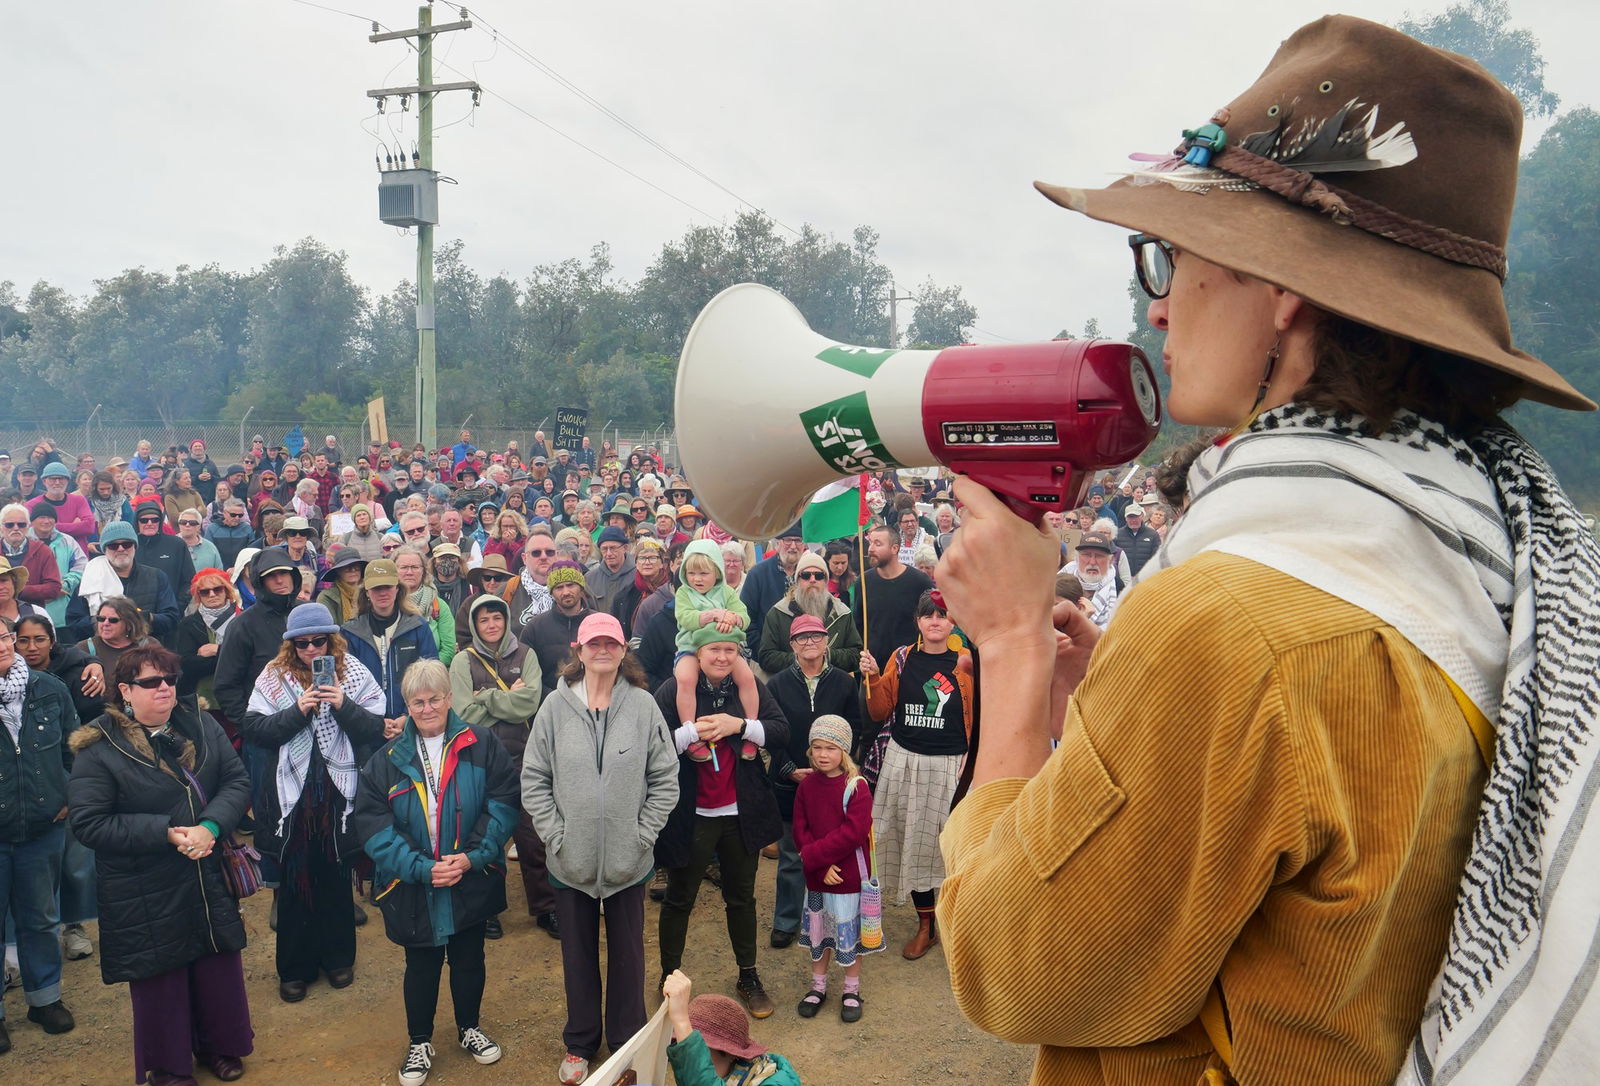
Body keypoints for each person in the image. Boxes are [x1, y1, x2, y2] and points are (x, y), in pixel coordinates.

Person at [933, 16, 1600, 1086]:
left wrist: (1010, 644)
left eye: (1173, 258)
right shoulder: (1483, 559)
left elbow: (1009, 962)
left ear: (1281, 288)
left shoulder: (1230, 629)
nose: (1158, 306)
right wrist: (1119, 710)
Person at [67, 643, 253, 1084]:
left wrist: (210, 827)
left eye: (170, 679)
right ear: (125, 691)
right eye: (151, 682)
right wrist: (165, 833)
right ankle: (169, 1066)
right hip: (143, 883)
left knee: (214, 963)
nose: (165, 688)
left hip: (205, 868)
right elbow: (89, 822)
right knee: (161, 977)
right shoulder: (98, 745)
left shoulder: (202, 723)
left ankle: (219, 1046)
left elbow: (236, 780)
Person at [522, 612, 678, 1085]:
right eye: (595, 643)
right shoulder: (554, 708)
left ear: (623, 650)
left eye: (612, 643)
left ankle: (627, 1046)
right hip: (571, 862)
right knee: (577, 957)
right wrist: (557, 835)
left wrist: (642, 834)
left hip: (628, 861)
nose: (603, 650)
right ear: (579, 649)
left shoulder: (644, 706)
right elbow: (534, 779)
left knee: (629, 957)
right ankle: (580, 1042)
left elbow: (665, 778)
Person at [357, 658, 518, 1086]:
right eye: (417, 702)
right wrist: (421, 868)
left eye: (434, 699)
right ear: (406, 706)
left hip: (469, 873)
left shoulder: (482, 744)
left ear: (449, 699)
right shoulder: (386, 759)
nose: (427, 709)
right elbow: (373, 826)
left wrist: (473, 856)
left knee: (469, 957)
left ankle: (469, 1028)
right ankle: (419, 1042)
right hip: (415, 881)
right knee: (421, 963)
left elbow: (503, 802)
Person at [242, 602, 385, 1003]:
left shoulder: (352, 671)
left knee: (335, 877)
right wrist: (298, 711)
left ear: (331, 640)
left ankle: (338, 959)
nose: (310, 650)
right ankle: (295, 968)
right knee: (294, 881)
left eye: (318, 641)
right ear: (290, 644)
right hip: (291, 798)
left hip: (338, 794)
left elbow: (375, 726)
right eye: (301, 643)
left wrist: (342, 704)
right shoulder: (274, 675)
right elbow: (255, 728)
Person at [655, 626, 789, 1019]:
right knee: (680, 898)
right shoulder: (674, 689)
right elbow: (653, 743)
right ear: (697, 653)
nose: (722, 657)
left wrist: (740, 726)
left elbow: (781, 731)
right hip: (691, 813)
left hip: (740, 813)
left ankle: (748, 975)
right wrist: (690, 733)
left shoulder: (748, 687)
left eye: (730, 650)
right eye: (714, 649)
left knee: (741, 898)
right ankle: (669, 977)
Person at [862, 590, 971, 960]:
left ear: (953, 621)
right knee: (911, 844)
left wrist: (973, 759)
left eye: (942, 614)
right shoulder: (902, 658)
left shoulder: (967, 661)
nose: (935, 621)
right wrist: (873, 679)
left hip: (951, 765)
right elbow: (879, 711)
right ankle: (927, 925)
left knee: (956, 849)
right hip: (905, 760)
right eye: (928, 615)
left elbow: (982, 714)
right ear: (918, 622)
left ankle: (962, 923)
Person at [448, 595, 557, 941]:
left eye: (497, 618)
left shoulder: (526, 655)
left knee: (532, 836)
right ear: (474, 625)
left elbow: (530, 704)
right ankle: (487, 910)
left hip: (524, 758)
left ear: (507, 619)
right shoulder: (462, 661)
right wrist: (507, 695)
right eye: (484, 620)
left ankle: (546, 907)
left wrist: (485, 695)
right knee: (485, 837)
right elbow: (464, 714)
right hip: (480, 762)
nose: (491, 625)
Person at [0, 616, 79, 1054]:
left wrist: (68, 792)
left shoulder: (49, 688)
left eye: (4, 636)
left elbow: (74, 749)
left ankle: (45, 1000)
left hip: (43, 827)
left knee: (41, 918)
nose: (2, 645)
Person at [765, 616, 865, 950]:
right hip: (790, 781)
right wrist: (788, 769)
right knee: (792, 854)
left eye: (816, 636)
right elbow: (771, 732)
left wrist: (837, 768)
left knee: (833, 849)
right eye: (802, 637)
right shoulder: (777, 685)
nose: (810, 643)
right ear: (791, 645)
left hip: (833, 784)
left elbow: (854, 728)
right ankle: (786, 920)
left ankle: (833, 919)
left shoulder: (844, 683)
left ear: (827, 641)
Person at [792, 715, 877, 1022]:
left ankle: (851, 990)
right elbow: (800, 828)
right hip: (819, 877)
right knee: (820, 935)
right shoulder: (807, 786)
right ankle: (818, 986)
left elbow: (853, 833)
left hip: (847, 877)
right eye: (817, 747)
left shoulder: (857, 787)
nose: (823, 754)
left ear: (844, 750)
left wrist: (816, 858)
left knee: (848, 937)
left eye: (831, 748)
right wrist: (819, 865)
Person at [672, 540, 758, 740]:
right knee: (685, 678)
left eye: (704, 573)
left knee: (747, 677)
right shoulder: (684, 592)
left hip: (723, 648)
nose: (697, 579)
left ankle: (751, 727)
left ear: (718, 572)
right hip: (690, 648)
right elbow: (685, 617)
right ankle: (690, 732)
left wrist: (733, 618)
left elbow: (744, 617)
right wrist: (712, 615)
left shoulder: (727, 592)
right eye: (691, 573)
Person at [342, 559, 440, 728]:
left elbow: (431, 677)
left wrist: (407, 717)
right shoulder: (350, 632)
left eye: (387, 586)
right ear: (366, 592)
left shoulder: (418, 627)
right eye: (376, 588)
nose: (383, 593)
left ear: (397, 588)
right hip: (365, 725)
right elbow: (348, 685)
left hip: (413, 722)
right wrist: (374, 722)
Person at [660, 972, 801, 1086]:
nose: (692, 1064)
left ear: (732, 1054)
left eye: (700, 1055)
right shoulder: (746, 1075)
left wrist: (681, 1020)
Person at [757, 550, 862, 676]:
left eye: (819, 575)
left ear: (825, 581)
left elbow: (857, 655)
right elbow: (766, 657)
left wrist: (827, 655)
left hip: (833, 684)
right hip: (791, 684)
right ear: (797, 580)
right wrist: (801, 659)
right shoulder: (778, 613)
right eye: (806, 575)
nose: (813, 580)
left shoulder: (841, 613)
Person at [852, 523, 933, 672]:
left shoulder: (919, 582)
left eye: (878, 544)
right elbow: (858, 626)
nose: (871, 549)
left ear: (894, 548)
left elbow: (933, 622)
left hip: (911, 668)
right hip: (873, 670)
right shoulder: (863, 582)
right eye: (870, 542)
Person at [517, 560, 594, 695]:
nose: (566, 592)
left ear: (581, 588)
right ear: (551, 592)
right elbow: (526, 674)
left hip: (594, 700)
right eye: (559, 587)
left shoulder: (599, 623)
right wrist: (553, 699)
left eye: (570, 585)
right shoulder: (535, 628)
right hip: (548, 702)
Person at [171, 568, 241, 712]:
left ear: (226, 590)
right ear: (198, 595)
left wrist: (219, 650)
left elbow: (251, 657)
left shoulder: (244, 619)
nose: (212, 594)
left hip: (241, 696)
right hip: (203, 701)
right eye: (205, 592)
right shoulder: (188, 624)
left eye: (217, 589)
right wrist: (231, 657)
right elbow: (188, 665)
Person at [397, 543, 456, 668]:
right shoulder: (388, 604)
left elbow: (448, 649)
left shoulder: (438, 605)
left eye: (415, 567)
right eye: (403, 567)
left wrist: (423, 671)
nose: (409, 572)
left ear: (424, 571)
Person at [0, 503, 63, 617]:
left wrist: (18, 590)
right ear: (1, 527)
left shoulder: (43, 551)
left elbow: (54, 588)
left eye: (21, 524)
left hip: (32, 617)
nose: (16, 528)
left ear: (28, 527)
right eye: (9, 525)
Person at [133, 503, 196, 616]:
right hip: (134, 615)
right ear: (137, 522)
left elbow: (189, 580)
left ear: (160, 521)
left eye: (155, 520)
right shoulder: (129, 546)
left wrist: (177, 607)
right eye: (144, 520)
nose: (150, 523)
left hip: (170, 614)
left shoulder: (176, 544)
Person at [739, 524, 805, 625]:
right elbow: (747, 615)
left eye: (798, 540)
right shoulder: (758, 574)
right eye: (787, 540)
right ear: (777, 543)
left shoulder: (810, 573)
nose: (793, 546)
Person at [1060, 529, 1120, 629]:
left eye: (1099, 556)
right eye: (1086, 555)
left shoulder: (1120, 589)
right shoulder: (1060, 584)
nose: (1092, 562)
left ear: (1110, 561)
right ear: (1077, 558)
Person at [27, 464, 95, 552]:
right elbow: (29, 530)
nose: (57, 482)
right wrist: (76, 526)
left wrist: (50, 527)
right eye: (52, 479)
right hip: (44, 555)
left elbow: (89, 527)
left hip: (77, 555)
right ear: (44, 481)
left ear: (67, 481)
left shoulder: (79, 500)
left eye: (61, 479)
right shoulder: (32, 505)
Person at [317, 547, 368, 624]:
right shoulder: (327, 597)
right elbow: (328, 626)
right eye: (347, 566)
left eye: (356, 566)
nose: (353, 570)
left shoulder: (370, 592)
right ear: (338, 571)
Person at [1113, 503, 1161, 577]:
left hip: (1145, 578)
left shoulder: (1153, 535)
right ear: (1126, 518)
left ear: (1142, 516)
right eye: (1130, 517)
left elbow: (1156, 559)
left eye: (1136, 516)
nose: (1133, 520)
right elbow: (1113, 560)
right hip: (1123, 579)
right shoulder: (1117, 534)